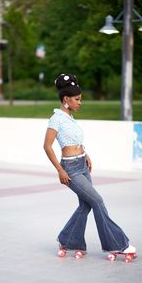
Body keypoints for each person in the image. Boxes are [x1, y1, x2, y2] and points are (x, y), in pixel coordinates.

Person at [43, 73, 136, 258]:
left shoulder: (70, 118)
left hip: (82, 165)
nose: (80, 102)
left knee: (86, 205)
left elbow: (75, 141)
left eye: (80, 99)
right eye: (77, 99)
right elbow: (47, 146)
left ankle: (68, 240)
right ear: (65, 99)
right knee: (97, 201)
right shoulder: (56, 119)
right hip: (70, 170)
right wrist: (60, 170)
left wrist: (86, 154)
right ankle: (117, 244)